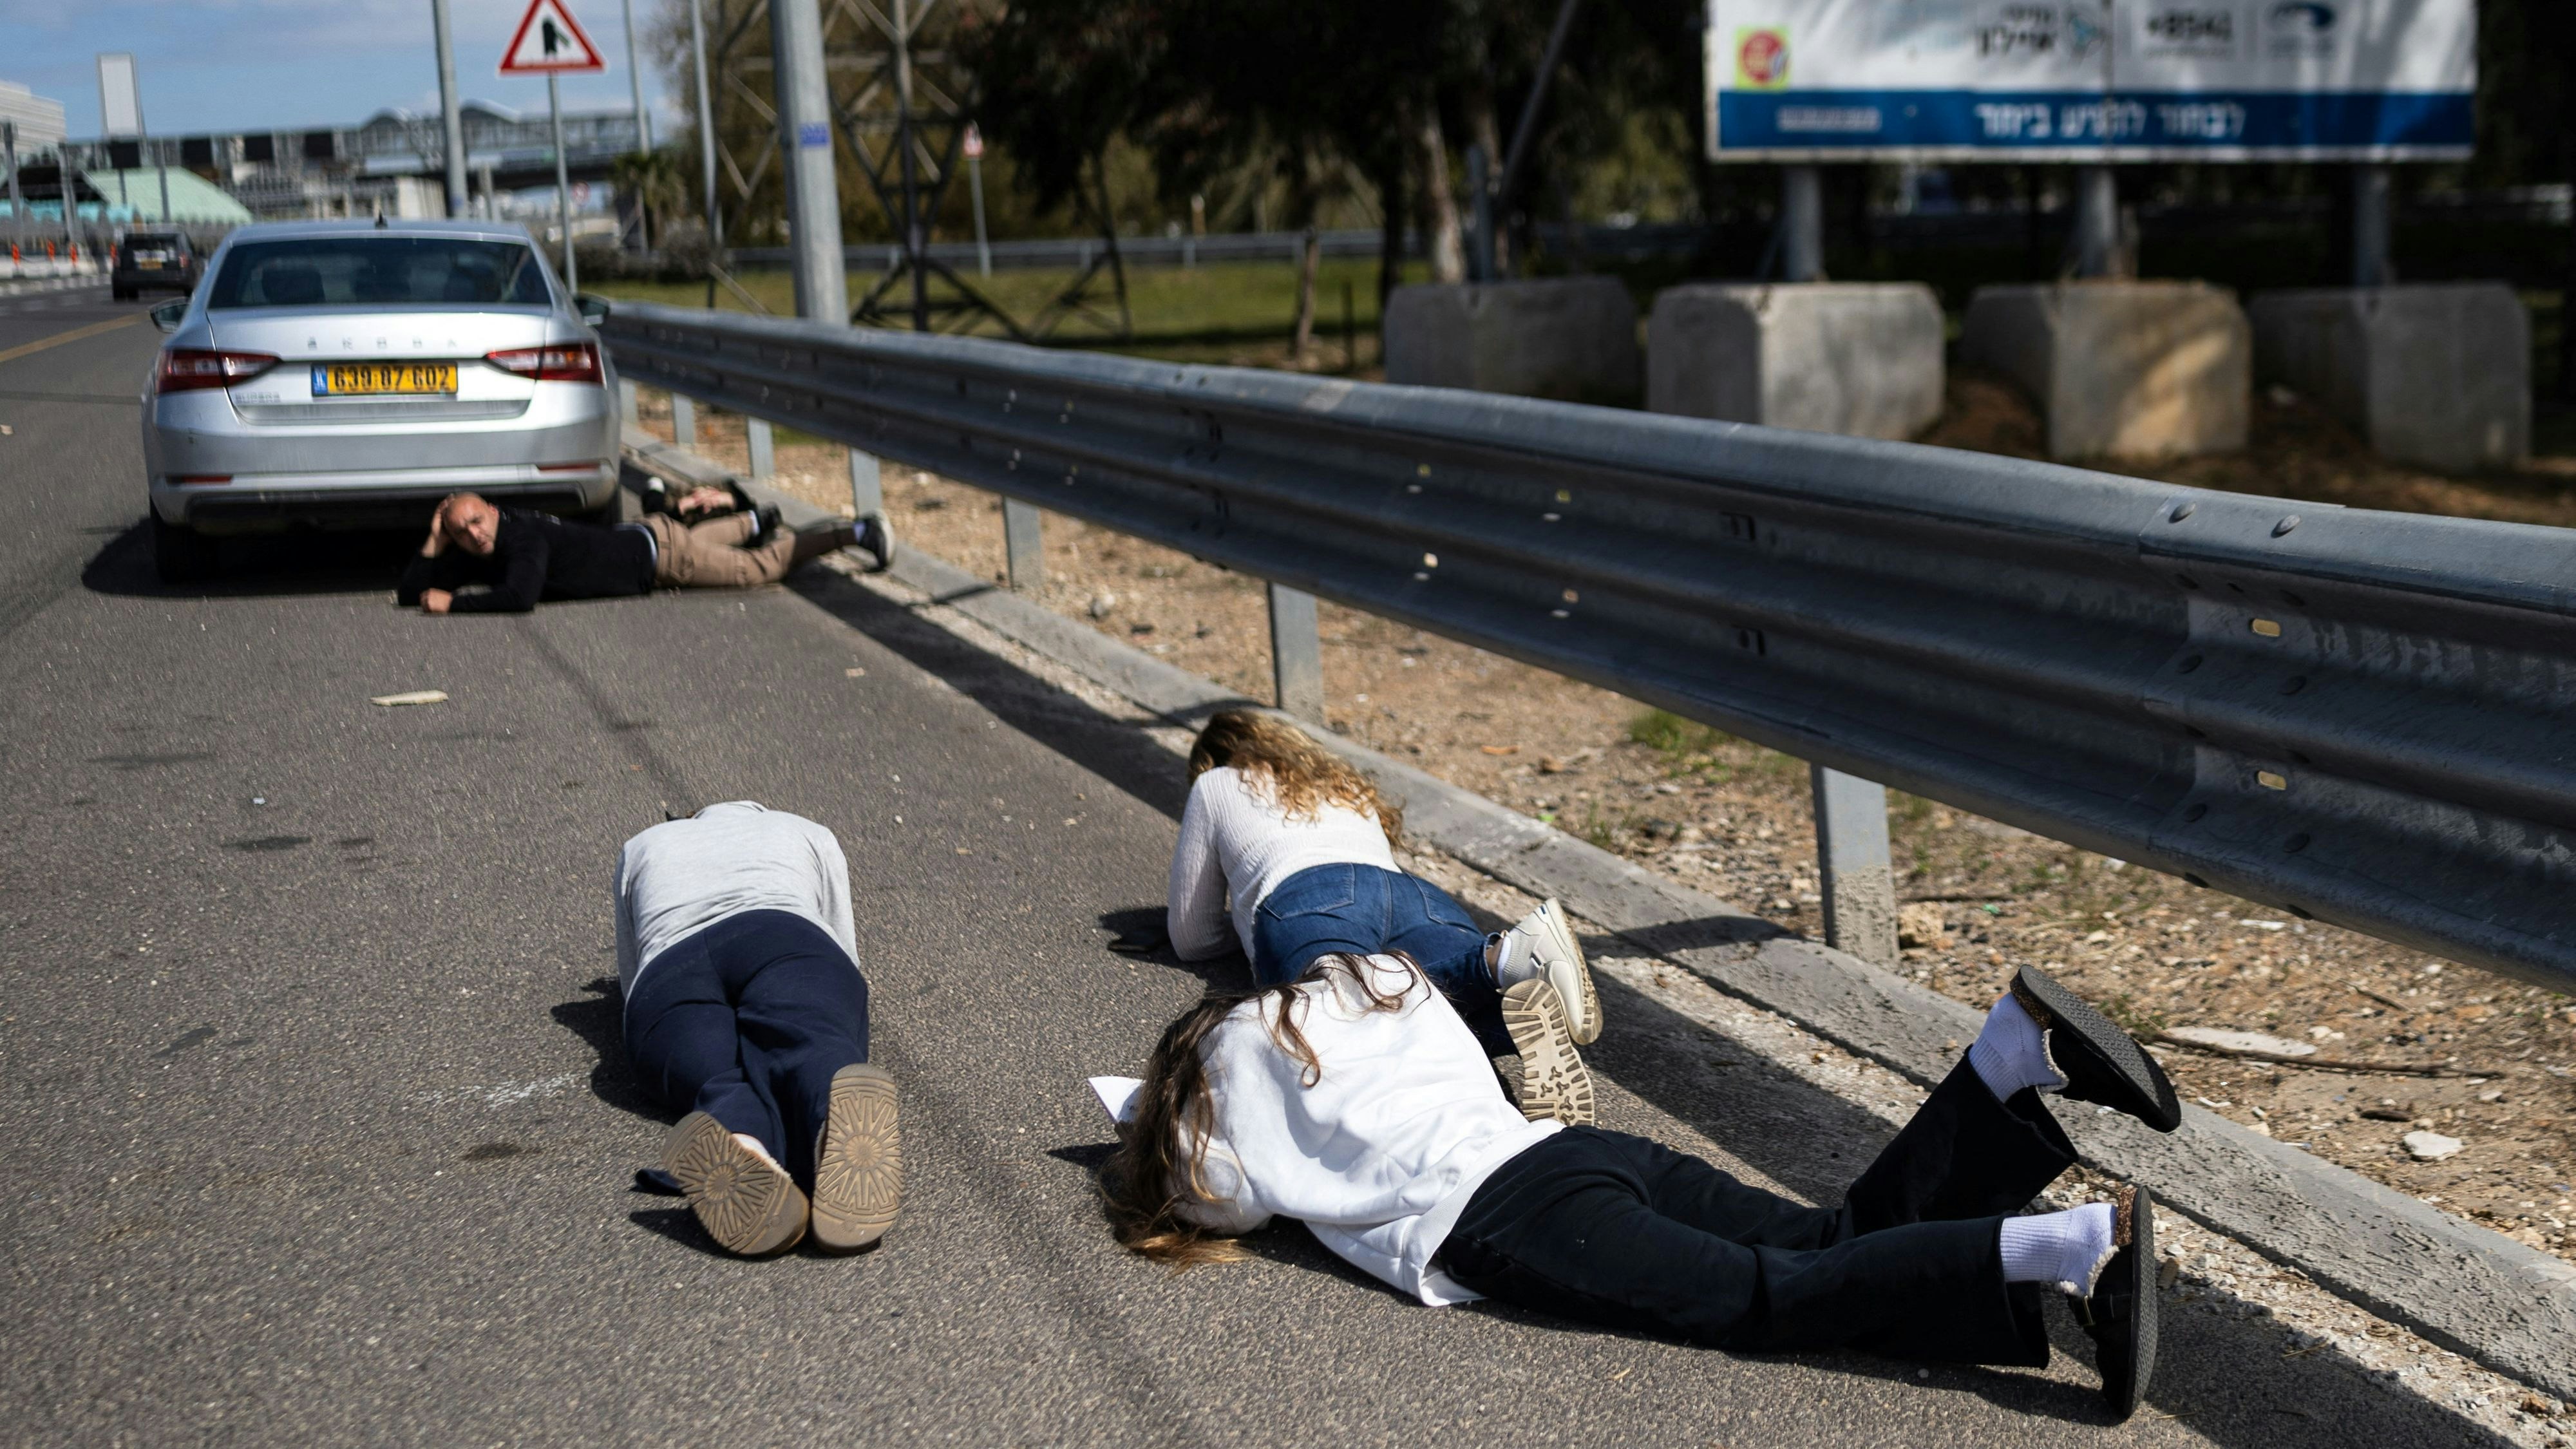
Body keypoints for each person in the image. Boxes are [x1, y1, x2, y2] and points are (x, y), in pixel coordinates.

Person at [1101, 956, 2181, 1419]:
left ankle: (2072, 1252)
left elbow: (1223, 1201)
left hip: (1503, 1216)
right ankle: (2007, 1058)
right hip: (1566, 1150)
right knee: (1830, 1237)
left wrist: (1151, 1127)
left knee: (1768, 1299)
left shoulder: (1216, 1077)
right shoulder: (1365, 985)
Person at [1166, 710, 1599, 1108]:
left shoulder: (1216, 781)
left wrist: (1242, 931)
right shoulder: (1342, 783)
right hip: (1416, 897)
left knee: (1333, 1020)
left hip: (1304, 892)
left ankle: (1507, 958)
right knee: (1440, 1020)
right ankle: (1500, 975)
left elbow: (1193, 937)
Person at [616, 801, 902, 1256]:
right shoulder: (805, 830)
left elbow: (631, 975)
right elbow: (840, 938)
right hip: (782, 933)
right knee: (810, 1038)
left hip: (670, 965)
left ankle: (744, 1144)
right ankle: (829, 1108)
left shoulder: (643, 845)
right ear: (757, 811)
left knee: (719, 1077)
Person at [397, 489, 889, 615]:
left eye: (476, 521)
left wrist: (454, 603)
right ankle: (756, 520)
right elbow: (409, 592)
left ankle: (857, 532)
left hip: (664, 560)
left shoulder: (524, 539)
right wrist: (433, 540)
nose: (474, 536)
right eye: (461, 533)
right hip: (652, 535)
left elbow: (520, 596)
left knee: (760, 568)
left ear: (492, 509)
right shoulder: (486, 541)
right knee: (708, 541)